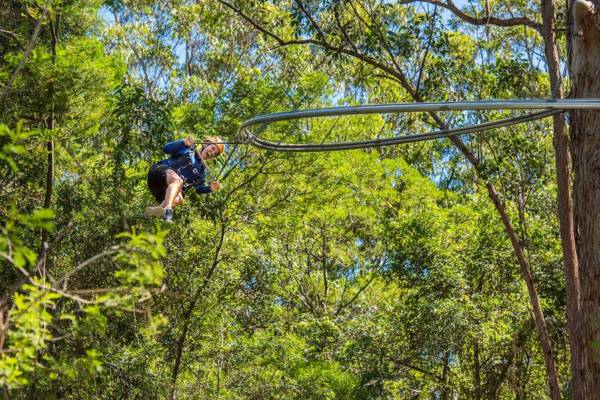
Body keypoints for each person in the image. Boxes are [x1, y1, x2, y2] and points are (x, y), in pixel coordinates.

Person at [145, 135, 224, 221]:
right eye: (212, 148)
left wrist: (210, 188)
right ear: (205, 144)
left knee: (179, 199)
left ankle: (155, 210)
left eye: (215, 153)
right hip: (158, 173)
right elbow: (166, 149)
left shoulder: (201, 172)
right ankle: (167, 209)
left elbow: (199, 189)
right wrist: (182, 142)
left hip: (162, 190)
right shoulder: (188, 149)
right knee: (178, 181)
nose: (212, 153)